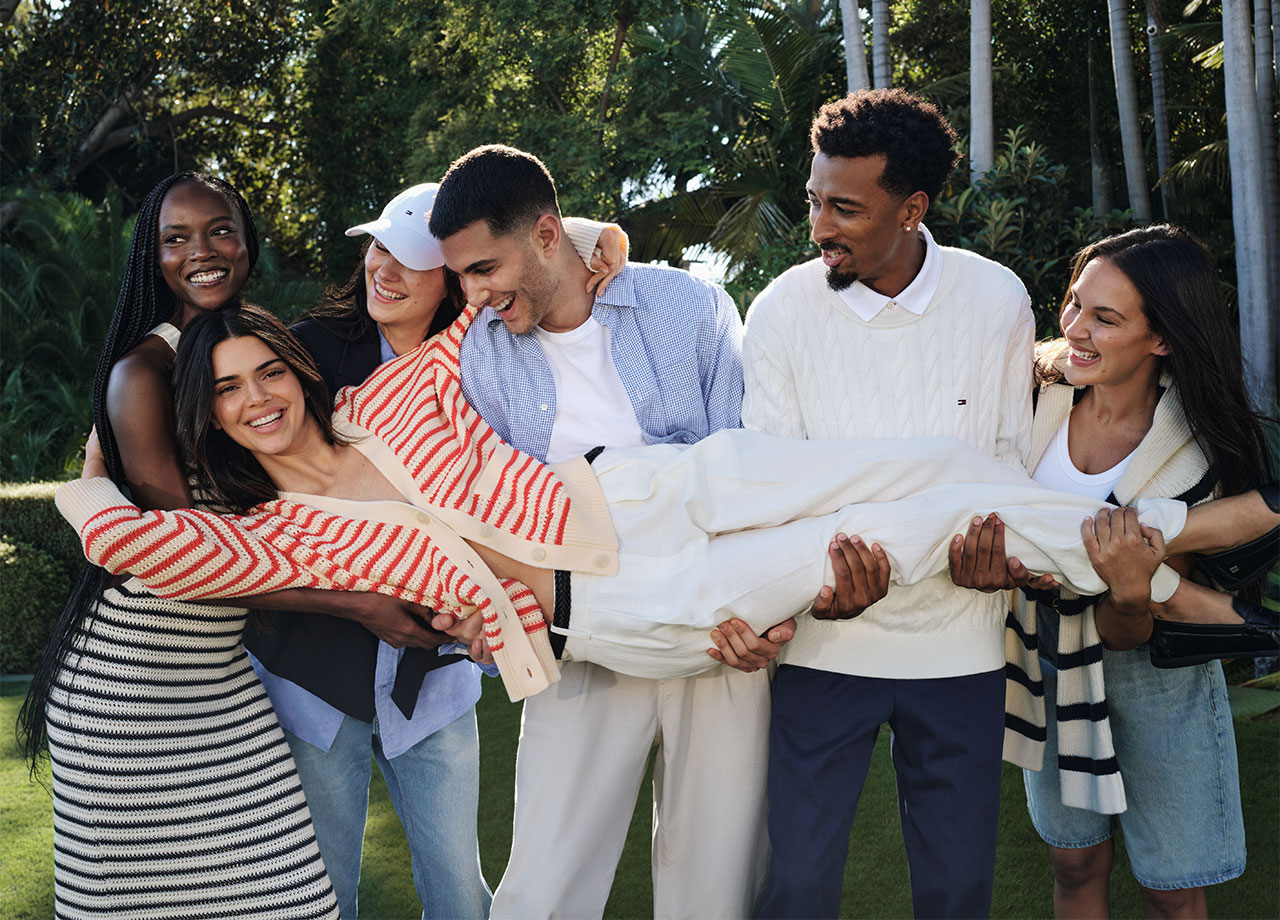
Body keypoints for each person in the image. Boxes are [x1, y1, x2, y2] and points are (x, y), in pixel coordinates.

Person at [55, 305, 1278, 692]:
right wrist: (127, 406)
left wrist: (595, 238)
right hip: (624, 601)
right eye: (227, 391)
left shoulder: (389, 396)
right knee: (903, 529)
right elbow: (128, 542)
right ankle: (1185, 559)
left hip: (642, 490)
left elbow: (506, 277)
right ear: (208, 417)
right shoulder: (263, 536)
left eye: (268, 368)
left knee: (912, 460)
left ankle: (1174, 573)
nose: (259, 396)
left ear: (298, 368)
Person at [242, 179, 626, 920]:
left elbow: (530, 237)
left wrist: (600, 241)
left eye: (409, 258)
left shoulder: (489, 354)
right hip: (317, 670)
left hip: (439, 674)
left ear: (452, 273)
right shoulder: (308, 352)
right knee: (323, 891)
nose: (382, 269)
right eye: (377, 247)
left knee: (457, 889)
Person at [432, 144, 777, 919]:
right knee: (542, 889)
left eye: (485, 268)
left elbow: (750, 472)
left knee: (715, 886)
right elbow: (490, 513)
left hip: (714, 624)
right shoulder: (480, 355)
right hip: (578, 627)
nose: (474, 294)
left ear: (549, 235)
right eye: (462, 275)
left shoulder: (690, 307)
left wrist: (761, 613)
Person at [15, 172, 349, 918]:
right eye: (176, 238)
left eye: (220, 230)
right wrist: (358, 606)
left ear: (248, 242)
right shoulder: (144, 373)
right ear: (152, 257)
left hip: (217, 684)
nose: (202, 251)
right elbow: (190, 557)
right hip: (126, 693)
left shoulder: (242, 353)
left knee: (291, 897)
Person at [742, 87, 1036, 918]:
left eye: (843, 208)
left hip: (961, 651)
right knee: (796, 886)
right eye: (812, 201)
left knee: (956, 891)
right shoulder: (780, 311)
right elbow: (772, 485)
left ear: (913, 208)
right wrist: (821, 585)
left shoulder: (999, 299)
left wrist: (1001, 566)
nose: (818, 228)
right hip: (823, 650)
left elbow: (1010, 467)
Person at [954, 225, 1276, 918]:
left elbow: (1130, 628)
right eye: (1074, 303)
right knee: (1073, 867)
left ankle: (1249, 625)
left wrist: (1131, 593)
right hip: (1047, 661)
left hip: (1154, 675)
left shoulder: (1195, 455)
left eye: (1106, 317)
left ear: (1161, 338)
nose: (1075, 327)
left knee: (1171, 892)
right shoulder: (1030, 394)